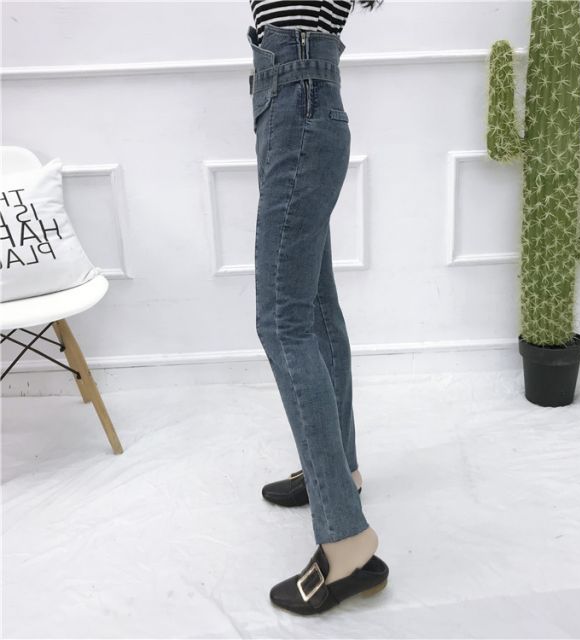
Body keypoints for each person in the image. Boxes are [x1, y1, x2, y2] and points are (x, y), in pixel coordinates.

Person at [247, 0, 388, 615]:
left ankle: (346, 541)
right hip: (299, 97)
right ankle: (340, 474)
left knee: (283, 321)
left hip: (297, 99)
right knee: (315, 308)